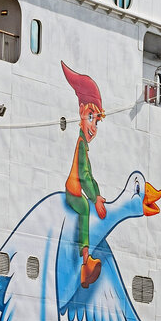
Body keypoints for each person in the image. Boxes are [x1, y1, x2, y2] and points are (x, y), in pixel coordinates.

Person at [61, 62, 106, 288]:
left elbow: (89, 175)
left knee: (89, 204)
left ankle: (86, 262)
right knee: (85, 208)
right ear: (80, 112)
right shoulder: (80, 143)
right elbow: (84, 174)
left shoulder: (83, 145)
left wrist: (96, 194)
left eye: (97, 121)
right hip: (73, 191)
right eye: (91, 117)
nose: (94, 127)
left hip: (79, 188)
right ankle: (85, 259)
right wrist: (94, 197)